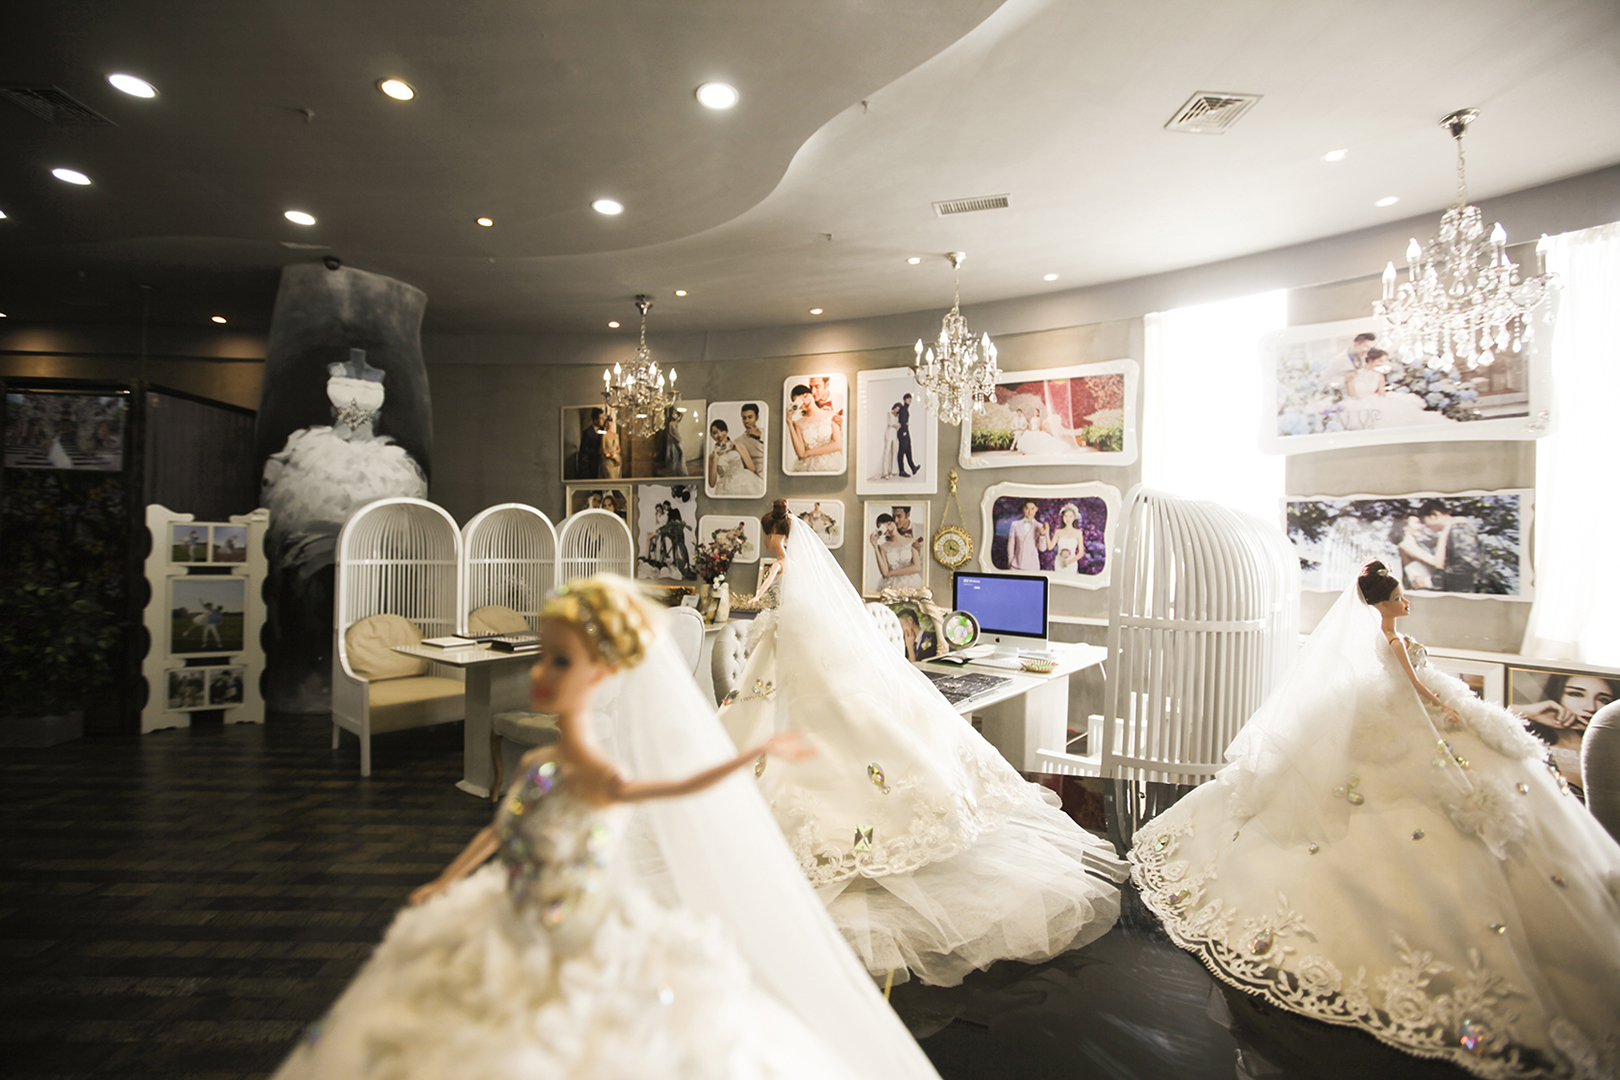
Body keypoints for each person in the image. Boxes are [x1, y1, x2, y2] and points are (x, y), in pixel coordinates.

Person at [272, 575, 942, 1080]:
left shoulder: (601, 775)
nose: (540, 674)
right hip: (514, 915)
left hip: (586, 930)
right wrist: (446, 881)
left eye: (560, 661)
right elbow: (500, 831)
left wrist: (750, 755)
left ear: (603, 672)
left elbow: (676, 787)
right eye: (545, 658)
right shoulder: (538, 764)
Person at [1130, 560, 1620, 1079]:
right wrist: (1445, 706)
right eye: (1399, 597)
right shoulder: (1392, 642)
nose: (1406, 603)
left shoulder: (1387, 635)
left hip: (1402, 705)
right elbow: (1412, 684)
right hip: (1408, 708)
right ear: (1383, 602)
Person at [722, 502, 1125, 988]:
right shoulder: (807, 576)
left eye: (769, 538)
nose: (768, 545)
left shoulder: (791, 571)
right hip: (788, 670)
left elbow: (790, 621)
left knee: (840, 737)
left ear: (778, 536)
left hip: (798, 669)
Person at [1513, 673, 1619, 797]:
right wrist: (1528, 712)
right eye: (1576, 694)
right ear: (1557, 696)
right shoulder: (1527, 747)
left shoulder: (1612, 756)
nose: (1591, 707)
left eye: (1603, 700)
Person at [1420, 500, 1482, 592]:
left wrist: (1433, 581)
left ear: (1434, 515)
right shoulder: (1452, 530)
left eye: (1424, 521)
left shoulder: (1459, 529)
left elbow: (1467, 565)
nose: (1426, 526)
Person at [787, 383, 844, 473]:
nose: (805, 402)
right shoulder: (798, 423)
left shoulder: (831, 415)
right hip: (808, 466)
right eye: (800, 401)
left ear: (811, 394)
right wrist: (789, 423)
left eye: (805, 396)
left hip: (832, 463)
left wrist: (808, 452)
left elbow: (838, 445)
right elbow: (801, 453)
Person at [706, 419, 761, 496]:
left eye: (722, 430)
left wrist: (738, 449)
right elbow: (712, 484)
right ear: (712, 436)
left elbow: (752, 469)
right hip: (725, 488)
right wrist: (715, 459)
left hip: (745, 482)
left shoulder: (739, 445)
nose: (719, 435)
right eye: (715, 433)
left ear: (727, 431)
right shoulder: (712, 456)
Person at [869, 513, 923, 590]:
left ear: (894, 522)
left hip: (912, 583)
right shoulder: (883, 547)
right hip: (891, 584)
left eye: (889, 524)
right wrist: (875, 546)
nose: (889, 528)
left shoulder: (912, 541)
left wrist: (892, 572)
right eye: (884, 528)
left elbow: (917, 567)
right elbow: (885, 573)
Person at [1389, 513, 1439, 591]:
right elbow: (1435, 562)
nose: (1421, 526)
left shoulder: (1418, 546)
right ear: (1405, 526)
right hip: (1422, 592)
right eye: (1417, 523)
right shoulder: (1405, 545)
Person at [1044, 502, 1085, 574]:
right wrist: (1047, 532)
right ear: (1063, 517)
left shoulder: (1078, 532)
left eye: (1070, 516)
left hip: (1072, 563)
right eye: (1066, 516)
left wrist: (1070, 561)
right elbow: (1050, 547)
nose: (1068, 519)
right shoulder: (1058, 531)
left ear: (1074, 518)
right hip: (1059, 562)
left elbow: (1081, 552)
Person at [1006, 499, 1046, 572]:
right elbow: (1011, 545)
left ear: (1036, 509)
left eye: (1032, 509)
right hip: (1016, 565)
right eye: (1027, 508)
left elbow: (1042, 549)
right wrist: (1011, 561)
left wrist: (1042, 535)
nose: (1030, 512)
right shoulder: (1015, 525)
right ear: (1024, 509)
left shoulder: (1040, 526)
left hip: (1032, 565)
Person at [737, 402, 766, 475]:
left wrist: (757, 434)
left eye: (750, 417)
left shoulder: (766, 432)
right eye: (744, 418)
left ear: (757, 418)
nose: (747, 421)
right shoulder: (739, 441)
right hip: (757, 475)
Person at [577, 407, 605, 479]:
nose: (603, 420)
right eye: (601, 418)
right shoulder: (587, 432)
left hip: (603, 462)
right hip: (593, 463)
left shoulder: (604, 429)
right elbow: (583, 448)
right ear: (595, 420)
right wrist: (596, 451)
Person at [895, 393, 918, 478]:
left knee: (908, 449)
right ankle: (901, 471)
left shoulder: (905, 409)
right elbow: (902, 420)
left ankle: (913, 467)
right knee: (902, 451)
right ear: (904, 400)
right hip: (903, 432)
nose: (910, 400)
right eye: (908, 399)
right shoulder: (903, 409)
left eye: (910, 399)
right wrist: (904, 431)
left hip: (905, 431)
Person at [599, 413, 622, 479]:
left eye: (610, 423)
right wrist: (610, 455)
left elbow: (618, 448)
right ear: (605, 424)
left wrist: (615, 454)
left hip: (616, 460)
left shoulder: (616, 435)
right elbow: (603, 449)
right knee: (610, 476)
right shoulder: (604, 436)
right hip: (608, 460)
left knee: (616, 478)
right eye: (607, 423)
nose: (609, 425)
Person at [880, 403, 900, 479]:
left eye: (898, 409)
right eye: (896, 408)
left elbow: (898, 424)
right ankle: (885, 472)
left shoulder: (898, 415)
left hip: (895, 433)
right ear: (894, 407)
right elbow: (889, 423)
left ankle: (891, 471)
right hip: (889, 432)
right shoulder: (889, 413)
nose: (897, 410)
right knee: (887, 450)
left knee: (893, 451)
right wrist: (896, 426)